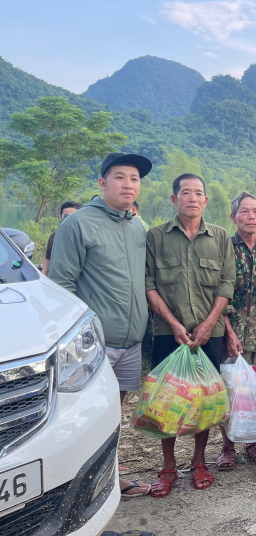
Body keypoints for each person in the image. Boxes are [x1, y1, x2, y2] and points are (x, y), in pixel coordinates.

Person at [49, 153, 153, 498]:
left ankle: (110, 476)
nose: (128, 184)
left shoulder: (137, 225)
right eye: (120, 177)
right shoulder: (77, 224)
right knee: (83, 417)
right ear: (102, 182)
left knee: (113, 415)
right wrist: (84, 338)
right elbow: (61, 285)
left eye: (135, 179)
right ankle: (73, 487)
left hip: (131, 340)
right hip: (95, 344)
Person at [145, 173, 236, 497]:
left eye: (199, 193)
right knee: (166, 402)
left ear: (206, 201)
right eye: (185, 193)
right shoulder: (156, 237)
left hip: (207, 334)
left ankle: (199, 461)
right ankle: (168, 466)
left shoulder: (221, 237)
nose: (192, 198)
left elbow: (227, 284)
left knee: (204, 400)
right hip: (168, 332)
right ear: (174, 199)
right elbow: (149, 285)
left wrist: (210, 323)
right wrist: (172, 322)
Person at [216, 192, 256, 471]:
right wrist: (228, 332)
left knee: (255, 392)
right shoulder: (224, 248)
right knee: (229, 391)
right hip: (230, 333)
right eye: (245, 212)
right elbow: (218, 294)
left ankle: (252, 442)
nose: (251, 217)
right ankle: (227, 446)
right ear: (233, 217)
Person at [42, 201, 81, 275]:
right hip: (57, 275)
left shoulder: (84, 237)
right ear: (61, 217)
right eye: (66, 216)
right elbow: (48, 257)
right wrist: (44, 275)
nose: (69, 219)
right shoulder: (54, 235)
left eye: (73, 216)